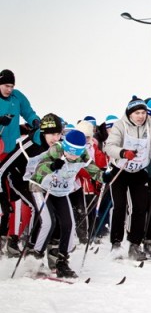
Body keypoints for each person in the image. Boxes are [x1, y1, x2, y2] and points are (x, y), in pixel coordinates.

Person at [28, 129, 107, 277]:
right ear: (65, 147)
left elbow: (93, 171)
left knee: (68, 224)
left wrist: (105, 176)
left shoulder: (82, 155)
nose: (74, 156)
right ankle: (35, 258)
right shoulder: (56, 150)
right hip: (40, 188)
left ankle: (62, 262)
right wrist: (51, 166)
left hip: (60, 191)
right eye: (71, 152)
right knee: (48, 222)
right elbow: (38, 170)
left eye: (77, 152)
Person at [104, 96, 151, 260]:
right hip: (120, 170)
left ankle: (134, 245)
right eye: (137, 113)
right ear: (130, 114)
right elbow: (109, 147)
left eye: (143, 112)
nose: (141, 116)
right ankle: (116, 243)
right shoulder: (120, 125)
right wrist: (123, 152)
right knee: (120, 206)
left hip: (139, 171)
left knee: (139, 207)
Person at [0, 113, 63, 258]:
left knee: (56, 214)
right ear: (43, 132)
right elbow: (2, 170)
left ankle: (52, 252)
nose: (56, 138)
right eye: (52, 134)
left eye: (58, 134)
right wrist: (3, 197)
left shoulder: (59, 144)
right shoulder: (26, 144)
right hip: (20, 180)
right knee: (39, 210)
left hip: (40, 181)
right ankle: (31, 252)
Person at [0, 69, 40, 160]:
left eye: (12, 86)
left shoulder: (17, 96)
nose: (9, 89)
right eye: (6, 86)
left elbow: (28, 113)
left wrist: (35, 121)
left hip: (14, 148)